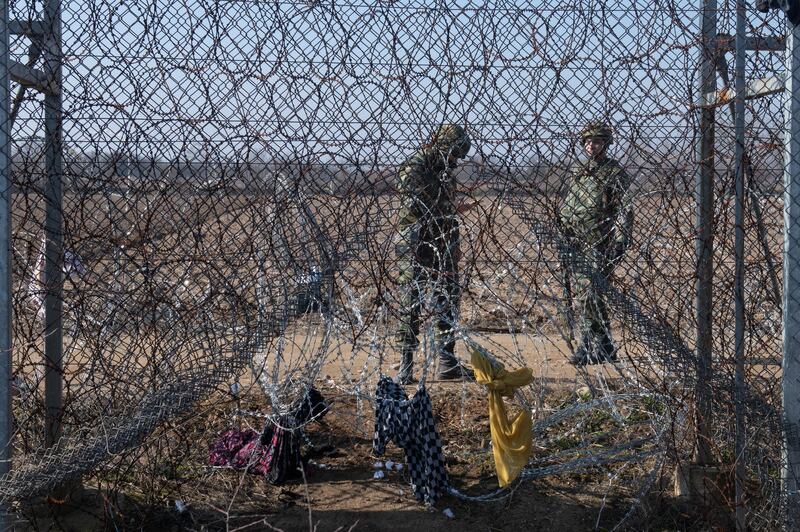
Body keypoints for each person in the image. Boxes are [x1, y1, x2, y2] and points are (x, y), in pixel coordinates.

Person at [394, 124, 477, 384]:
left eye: (458, 155)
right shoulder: (416, 165)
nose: (455, 160)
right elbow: (415, 199)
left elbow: (445, 208)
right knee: (411, 301)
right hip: (416, 240)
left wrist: (455, 243)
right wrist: (450, 204)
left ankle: (447, 363)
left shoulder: (445, 170)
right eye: (453, 153)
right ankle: (405, 366)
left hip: (443, 240)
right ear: (441, 145)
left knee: (447, 299)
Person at [559, 121, 633, 366]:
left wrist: (621, 239)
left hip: (600, 242)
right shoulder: (579, 170)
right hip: (577, 240)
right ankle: (605, 345)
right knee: (586, 292)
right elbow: (569, 203)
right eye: (589, 141)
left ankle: (587, 345)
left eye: (598, 141)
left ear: (606, 144)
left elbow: (625, 208)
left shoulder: (614, 173)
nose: (592, 146)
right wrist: (562, 230)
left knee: (590, 291)